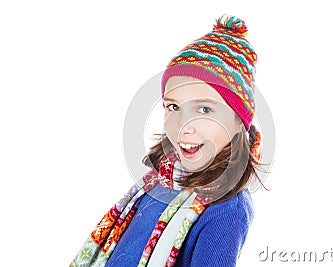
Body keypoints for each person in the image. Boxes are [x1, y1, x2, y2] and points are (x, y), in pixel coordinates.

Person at [70, 14, 265, 267]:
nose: (183, 126)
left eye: (204, 110)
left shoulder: (226, 211)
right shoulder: (163, 180)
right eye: (173, 107)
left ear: (239, 121)